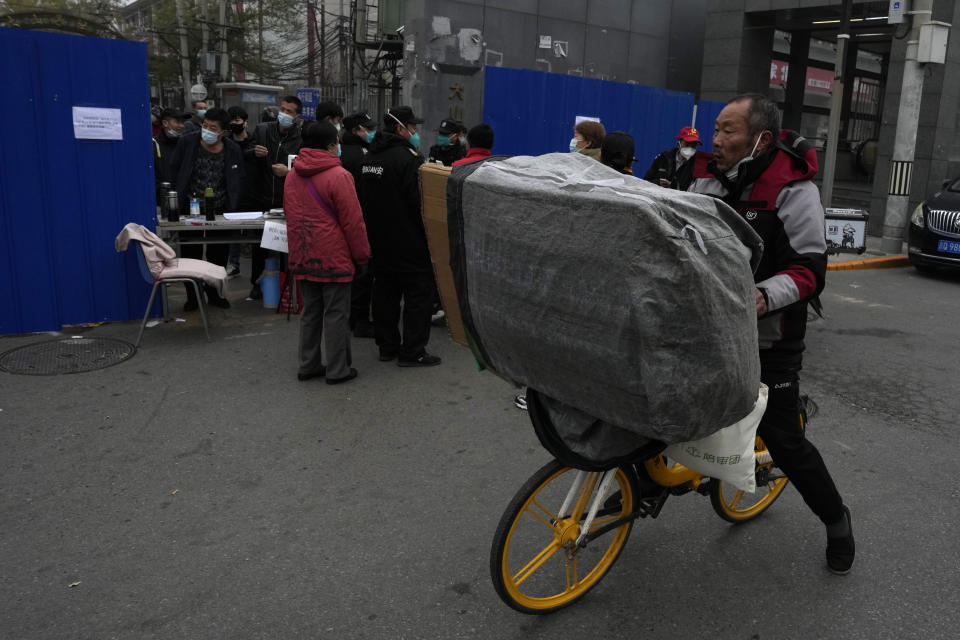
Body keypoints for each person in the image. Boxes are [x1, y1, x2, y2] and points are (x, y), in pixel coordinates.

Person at [687, 93, 855, 575]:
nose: (715, 140)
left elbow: (809, 270)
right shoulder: (703, 173)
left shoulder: (793, 187)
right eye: (715, 130)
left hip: (770, 334)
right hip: (707, 322)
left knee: (782, 437)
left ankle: (836, 519)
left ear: (760, 138)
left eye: (727, 131)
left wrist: (760, 297)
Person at [284, 121, 371, 385]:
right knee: (336, 313)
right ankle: (337, 369)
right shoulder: (339, 176)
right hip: (333, 256)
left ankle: (308, 364)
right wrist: (362, 256)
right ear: (331, 144)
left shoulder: (292, 174)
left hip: (303, 252)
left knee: (310, 311)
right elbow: (353, 222)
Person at [358, 105, 441, 367]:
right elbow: (419, 204)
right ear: (399, 128)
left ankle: (387, 346)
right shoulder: (408, 159)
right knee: (418, 294)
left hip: (378, 239)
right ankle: (413, 351)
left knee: (385, 292)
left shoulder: (369, 158)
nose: (415, 132)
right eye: (413, 128)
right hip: (409, 241)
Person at [169, 106, 245, 310]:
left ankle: (214, 293)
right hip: (190, 208)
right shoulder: (188, 142)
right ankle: (193, 296)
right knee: (190, 254)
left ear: (223, 132)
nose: (207, 130)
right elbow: (175, 170)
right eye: (205, 125)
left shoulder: (232, 150)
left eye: (213, 127)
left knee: (218, 255)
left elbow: (237, 181)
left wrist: (233, 209)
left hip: (219, 210)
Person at [246, 95, 304, 299]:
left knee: (284, 246)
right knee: (260, 246)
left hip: (286, 200)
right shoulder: (262, 130)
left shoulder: (301, 137)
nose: (284, 114)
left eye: (289, 112)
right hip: (261, 197)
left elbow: (305, 166)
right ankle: (257, 284)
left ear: (297, 116)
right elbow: (244, 153)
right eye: (283, 109)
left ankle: (285, 284)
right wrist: (254, 152)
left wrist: (289, 172)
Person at [340, 111, 378, 338]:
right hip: (362, 218)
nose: (371, 132)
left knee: (353, 273)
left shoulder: (343, 151)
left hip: (345, 220)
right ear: (356, 131)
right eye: (367, 128)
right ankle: (360, 321)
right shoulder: (362, 155)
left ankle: (353, 317)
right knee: (364, 272)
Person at [225, 106, 255, 278]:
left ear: (245, 122)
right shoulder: (226, 143)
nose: (234, 124)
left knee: (253, 235)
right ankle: (233, 264)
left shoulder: (255, 141)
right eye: (231, 121)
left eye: (237, 120)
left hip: (252, 193)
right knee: (233, 231)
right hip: (233, 194)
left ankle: (256, 273)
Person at [644, 125, 701, 190]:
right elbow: (646, 181)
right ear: (679, 143)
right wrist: (659, 183)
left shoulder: (697, 166)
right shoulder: (663, 158)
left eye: (693, 146)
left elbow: (695, 192)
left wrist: (673, 186)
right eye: (687, 144)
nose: (690, 148)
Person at [153, 107, 189, 202]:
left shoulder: (186, 144)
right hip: (161, 201)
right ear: (165, 123)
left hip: (183, 200)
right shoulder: (153, 144)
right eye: (177, 122)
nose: (181, 126)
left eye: (182, 122)